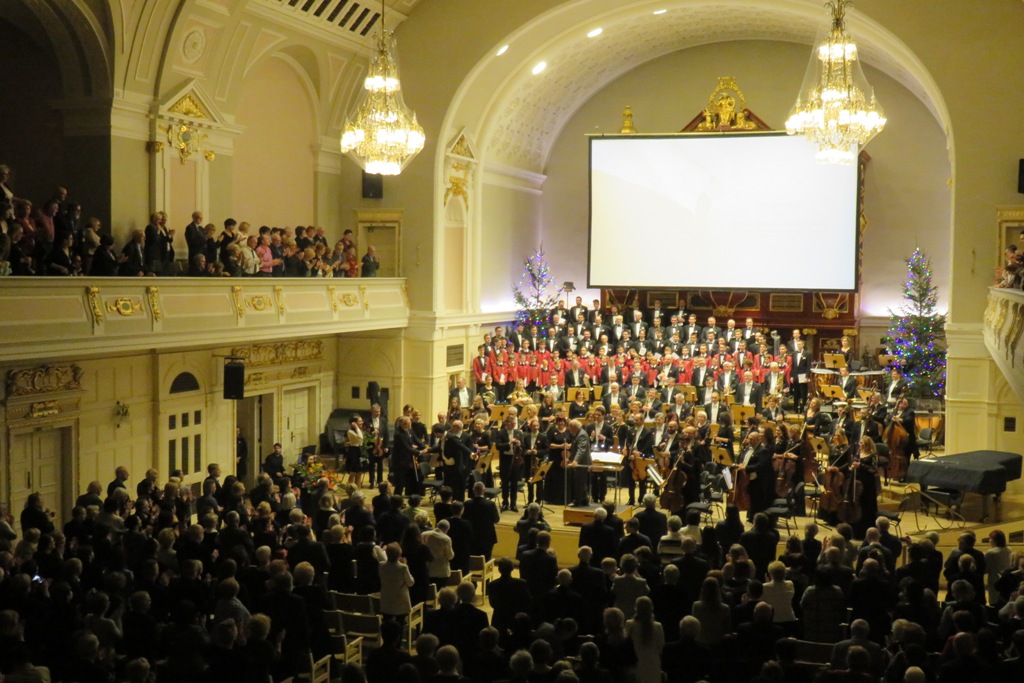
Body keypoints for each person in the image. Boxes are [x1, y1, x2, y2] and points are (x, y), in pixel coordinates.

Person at [626, 596, 664, 683]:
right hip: (653, 663)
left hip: (636, 664)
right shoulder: (658, 626)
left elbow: (626, 645)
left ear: (636, 608)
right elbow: (661, 647)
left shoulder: (629, 624)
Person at [566, 418, 592, 507]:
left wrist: (575, 461)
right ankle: (585, 500)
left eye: (570, 427)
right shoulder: (577, 433)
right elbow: (574, 448)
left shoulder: (582, 435)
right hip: (579, 461)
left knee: (579, 482)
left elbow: (581, 449)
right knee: (581, 482)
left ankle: (577, 501)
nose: (569, 429)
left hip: (582, 462)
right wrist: (570, 458)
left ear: (574, 427)